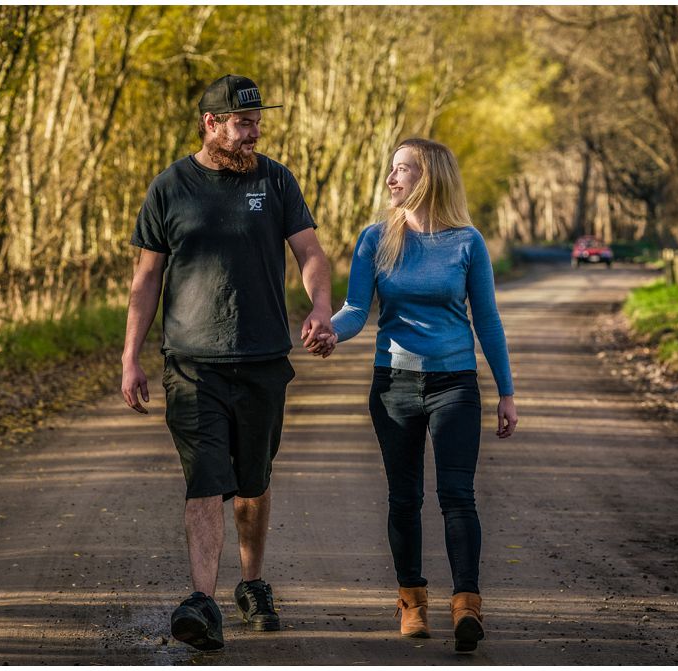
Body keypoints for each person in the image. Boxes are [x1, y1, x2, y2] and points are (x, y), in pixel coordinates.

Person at [121, 74, 333, 651]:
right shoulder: (170, 186)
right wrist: (130, 358)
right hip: (192, 365)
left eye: (257, 122)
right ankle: (202, 601)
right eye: (243, 123)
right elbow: (146, 279)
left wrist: (320, 307)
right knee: (205, 481)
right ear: (211, 123)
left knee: (252, 483)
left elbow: (310, 252)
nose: (254, 133)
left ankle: (252, 583)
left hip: (264, 358)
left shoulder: (277, 179)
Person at [309, 138, 517, 653]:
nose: (391, 179)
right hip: (394, 386)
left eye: (402, 169)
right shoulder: (376, 238)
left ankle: (467, 605)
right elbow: (358, 308)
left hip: (455, 385)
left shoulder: (468, 242)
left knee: (457, 496)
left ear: (430, 177)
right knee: (405, 498)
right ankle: (412, 604)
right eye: (392, 169)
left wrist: (506, 392)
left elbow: (487, 321)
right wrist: (330, 329)